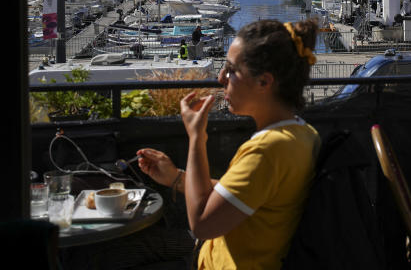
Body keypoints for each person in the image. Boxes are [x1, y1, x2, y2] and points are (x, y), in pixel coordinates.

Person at [138, 19, 321, 270]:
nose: (221, 77)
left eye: (231, 70)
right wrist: (176, 178)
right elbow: (236, 196)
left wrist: (196, 137)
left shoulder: (267, 151)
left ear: (264, 82)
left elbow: (202, 223)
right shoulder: (301, 132)